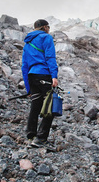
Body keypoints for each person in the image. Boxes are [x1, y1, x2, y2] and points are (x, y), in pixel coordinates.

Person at [21, 19, 59, 148]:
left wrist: (28, 88)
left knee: (35, 105)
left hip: (32, 76)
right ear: (44, 27)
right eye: (48, 26)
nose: (49, 29)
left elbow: (24, 66)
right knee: (51, 105)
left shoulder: (28, 43)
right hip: (44, 74)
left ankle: (30, 135)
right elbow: (50, 57)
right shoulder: (46, 37)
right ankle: (41, 139)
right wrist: (54, 76)